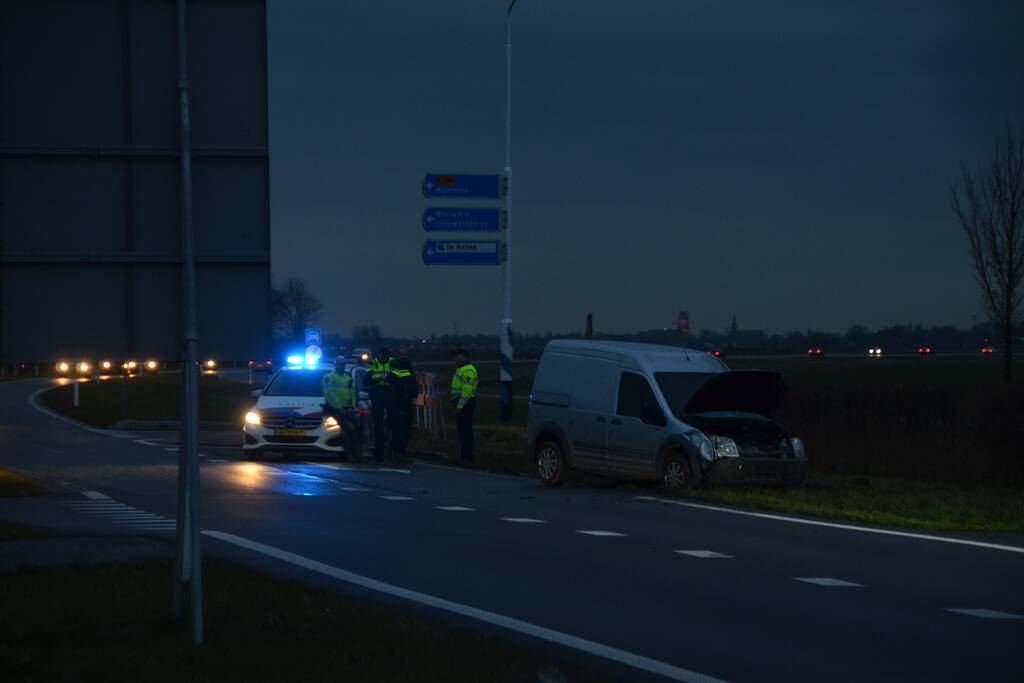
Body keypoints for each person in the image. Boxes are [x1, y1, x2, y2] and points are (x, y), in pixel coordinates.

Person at [321, 356, 360, 462]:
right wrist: (339, 407)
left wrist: (352, 407)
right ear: (335, 365)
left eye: (343, 364)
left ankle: (358, 455)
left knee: (358, 427)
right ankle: (349, 455)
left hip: (347, 410)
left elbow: (352, 393)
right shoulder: (329, 377)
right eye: (340, 364)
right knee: (346, 429)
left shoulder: (348, 378)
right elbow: (328, 395)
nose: (342, 366)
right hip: (334, 410)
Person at [364, 346, 393, 462]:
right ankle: (379, 451)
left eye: (385, 354)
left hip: (390, 393)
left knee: (392, 422)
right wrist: (378, 379)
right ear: (379, 355)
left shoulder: (392, 362)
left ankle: (391, 449)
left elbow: (398, 377)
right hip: (377, 394)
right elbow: (366, 381)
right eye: (382, 355)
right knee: (378, 424)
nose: (384, 357)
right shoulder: (373, 363)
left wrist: (389, 379)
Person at [389, 347, 417, 463]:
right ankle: (397, 454)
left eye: (405, 354)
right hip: (398, 403)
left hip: (407, 402)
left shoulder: (409, 366)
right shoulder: (395, 367)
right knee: (399, 430)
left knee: (407, 429)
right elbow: (395, 385)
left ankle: (402, 452)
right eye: (401, 354)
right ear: (397, 356)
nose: (404, 357)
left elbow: (412, 383)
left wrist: (413, 394)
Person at [451, 348, 478, 461]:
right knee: (463, 430)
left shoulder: (468, 370)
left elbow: (467, 390)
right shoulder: (462, 369)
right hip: (463, 403)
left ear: (464, 357)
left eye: (457, 357)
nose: (455, 359)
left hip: (465, 404)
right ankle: (465, 453)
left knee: (465, 430)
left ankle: (467, 455)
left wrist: (459, 406)